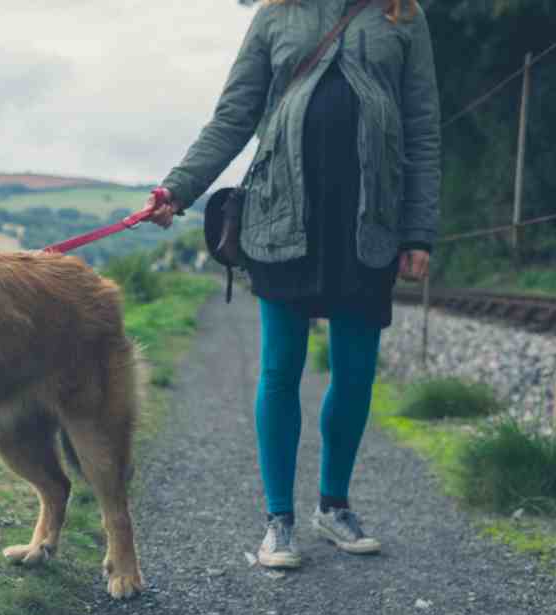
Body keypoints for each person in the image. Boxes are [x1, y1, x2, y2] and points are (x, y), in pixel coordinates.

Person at [145, 0, 440, 568]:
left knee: (355, 372)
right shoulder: (276, 15)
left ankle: (334, 507)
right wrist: (178, 189)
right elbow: (233, 116)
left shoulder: (403, 15)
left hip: (368, 220)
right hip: (283, 216)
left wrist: (418, 231)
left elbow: (422, 129)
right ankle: (278, 521)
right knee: (281, 368)